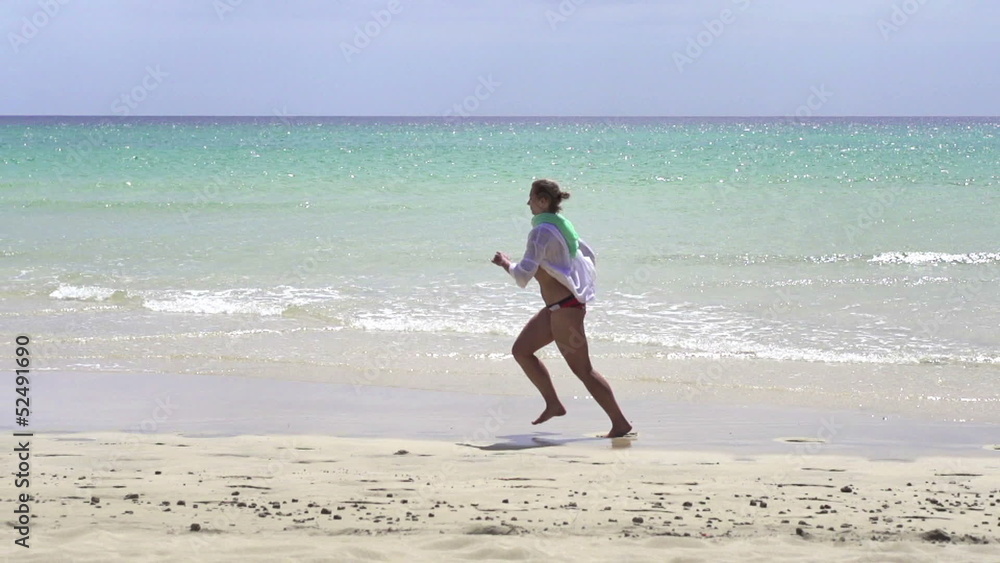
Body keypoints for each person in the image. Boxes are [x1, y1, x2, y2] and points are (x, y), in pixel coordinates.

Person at [492, 179, 632, 438]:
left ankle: (620, 423)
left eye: (531, 198)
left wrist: (505, 264)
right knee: (521, 351)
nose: (528, 203)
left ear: (543, 200)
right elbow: (586, 256)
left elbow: (523, 276)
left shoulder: (541, 232)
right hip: (558, 308)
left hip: (565, 310)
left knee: (583, 371)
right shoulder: (562, 227)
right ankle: (553, 404)